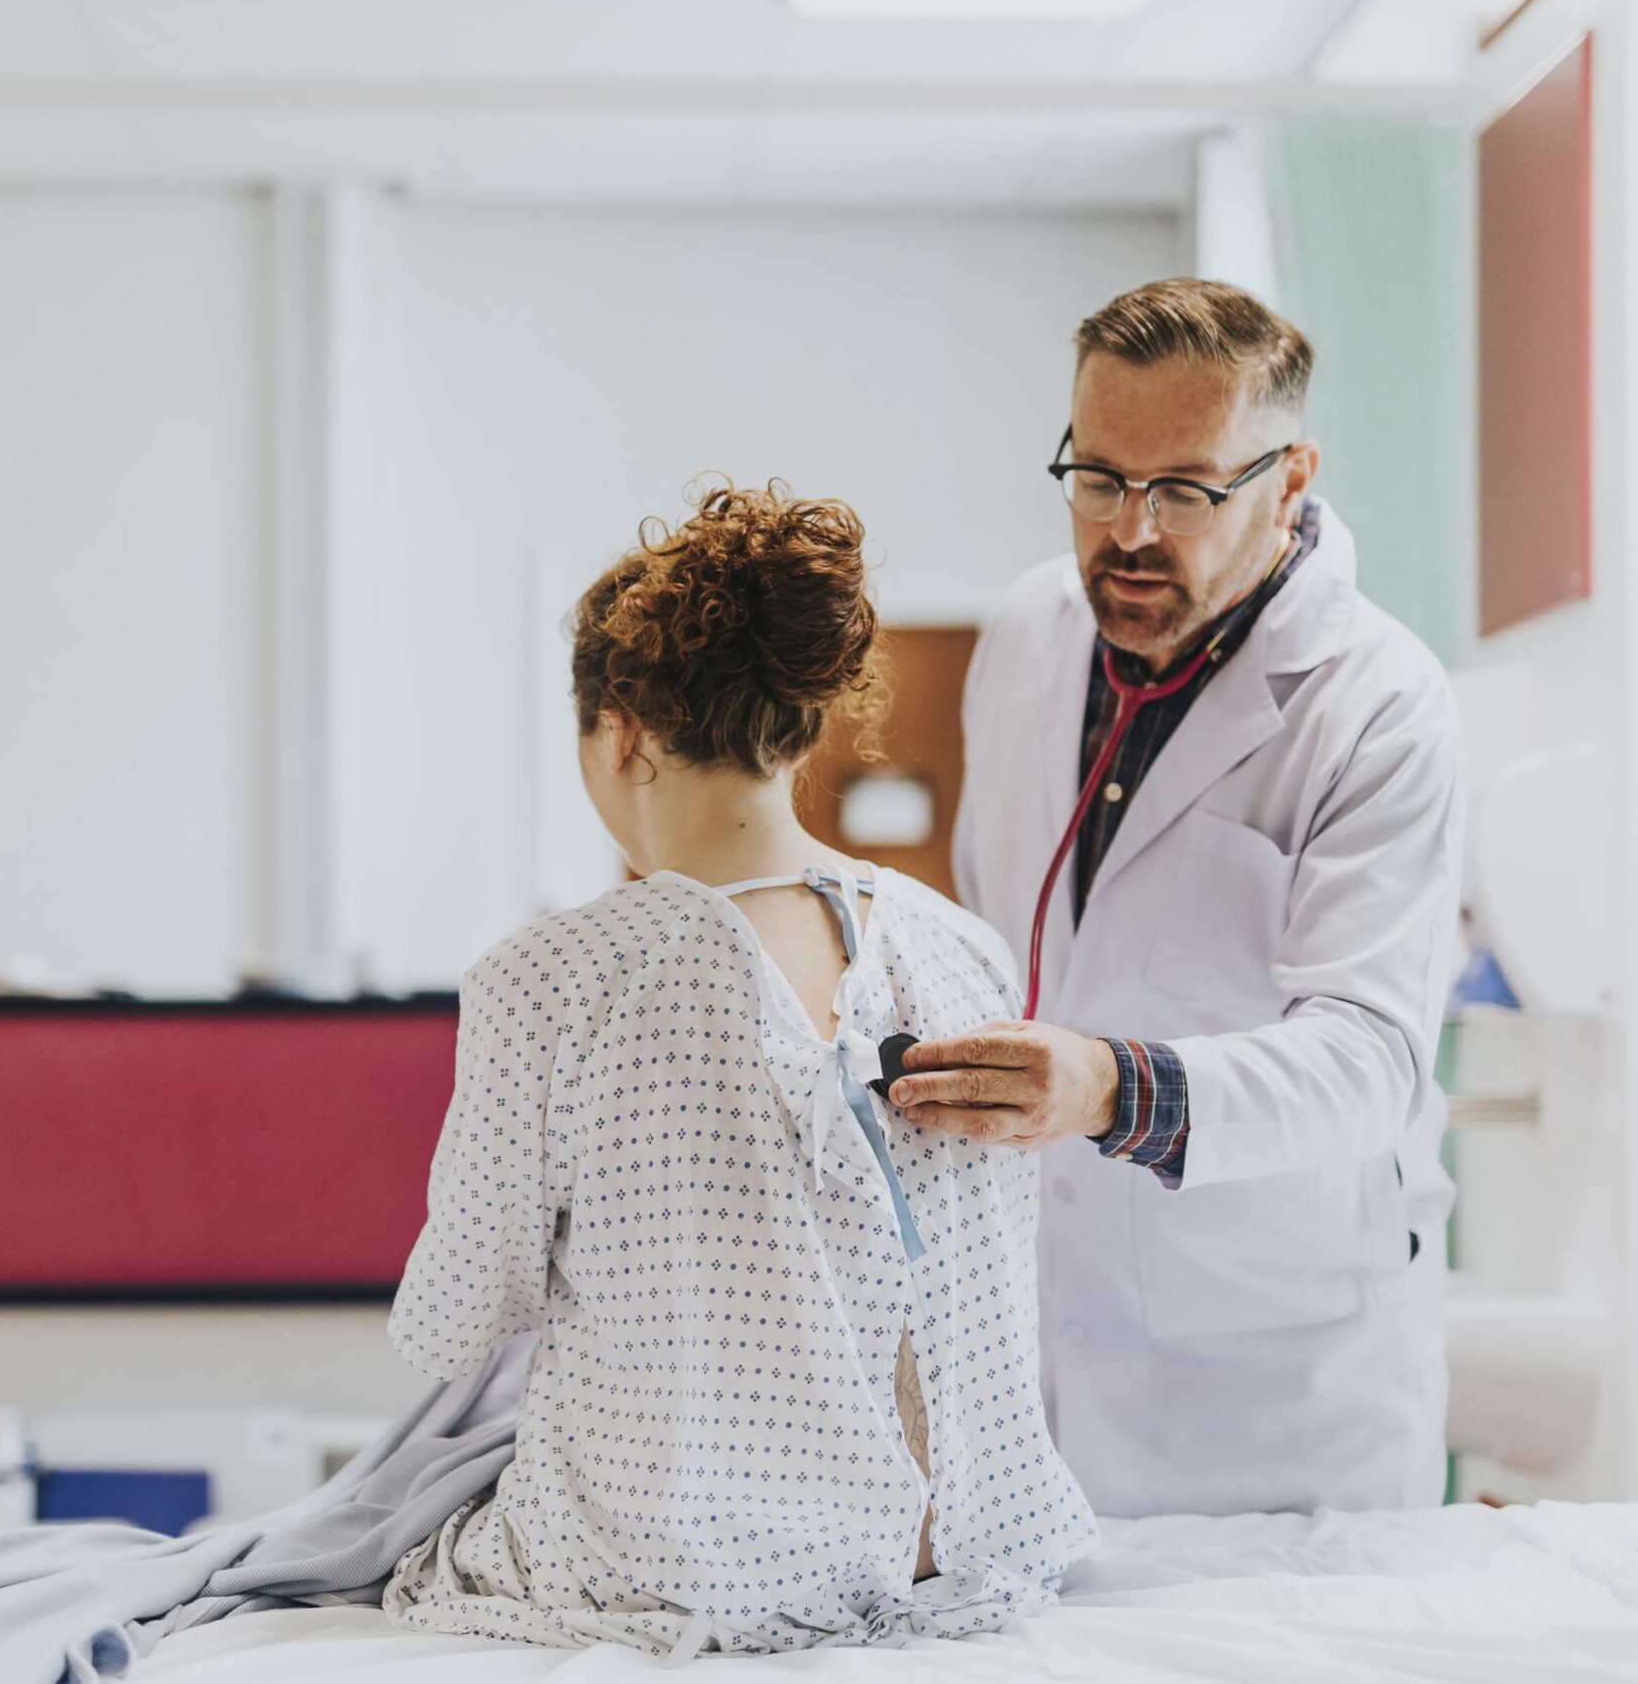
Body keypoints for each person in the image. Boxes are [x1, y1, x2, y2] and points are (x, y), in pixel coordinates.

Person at [381, 484, 1097, 1659]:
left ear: (618, 730)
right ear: (797, 727)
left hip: (694, 1568)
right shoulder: (958, 947)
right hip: (972, 1549)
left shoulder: (551, 976)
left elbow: (453, 1320)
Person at [890, 279, 1463, 1519]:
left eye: (1186, 489)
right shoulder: (1027, 634)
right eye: (1097, 478)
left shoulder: (1377, 703)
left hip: (1277, 1385)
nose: (1130, 531)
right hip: (1038, 1351)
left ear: (1290, 477)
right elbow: (999, 942)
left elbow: (1370, 1062)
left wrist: (1105, 1086)